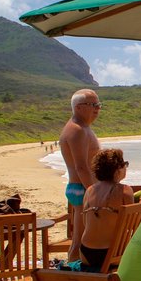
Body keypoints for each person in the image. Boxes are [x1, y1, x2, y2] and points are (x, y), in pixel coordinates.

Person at [59, 89, 101, 263]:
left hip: (81, 189)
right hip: (82, 189)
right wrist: (96, 193)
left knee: (83, 235)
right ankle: (73, 272)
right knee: (80, 238)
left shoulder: (82, 128)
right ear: (78, 107)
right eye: (93, 105)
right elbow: (81, 167)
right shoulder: (77, 130)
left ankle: (75, 269)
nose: (97, 108)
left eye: (99, 104)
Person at [79, 149, 134, 272]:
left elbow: (85, 223)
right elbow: (132, 226)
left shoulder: (89, 190)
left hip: (86, 250)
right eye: (124, 164)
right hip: (113, 253)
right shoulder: (125, 191)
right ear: (117, 169)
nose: (126, 168)